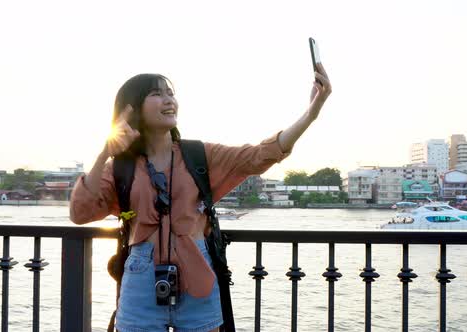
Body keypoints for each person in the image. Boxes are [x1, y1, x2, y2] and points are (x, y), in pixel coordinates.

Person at [69, 63, 331, 332]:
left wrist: (311, 113)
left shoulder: (198, 156)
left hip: (197, 275)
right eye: (157, 94)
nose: (169, 100)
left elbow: (260, 155)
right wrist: (104, 153)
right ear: (132, 108)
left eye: (171, 93)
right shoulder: (120, 168)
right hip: (140, 279)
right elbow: (80, 213)